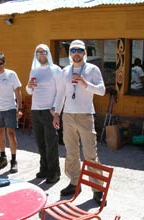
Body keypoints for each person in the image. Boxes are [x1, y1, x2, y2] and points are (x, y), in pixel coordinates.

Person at [52, 40, 106, 205]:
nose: (76, 53)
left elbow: (102, 91)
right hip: (68, 116)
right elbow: (60, 94)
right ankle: (75, 183)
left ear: (84, 53)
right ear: (70, 52)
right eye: (73, 50)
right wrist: (56, 114)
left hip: (85, 116)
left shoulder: (92, 69)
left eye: (80, 50)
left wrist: (84, 83)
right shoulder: (65, 71)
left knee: (90, 155)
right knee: (71, 153)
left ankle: (97, 190)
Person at [26, 44, 62, 184]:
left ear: (48, 54)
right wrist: (29, 87)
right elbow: (29, 91)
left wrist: (56, 110)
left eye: (44, 52)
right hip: (36, 110)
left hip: (49, 111)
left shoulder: (55, 70)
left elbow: (60, 91)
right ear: (36, 54)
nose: (41, 54)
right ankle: (45, 168)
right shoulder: (34, 70)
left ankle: (54, 173)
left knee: (51, 143)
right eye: (38, 52)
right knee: (40, 142)